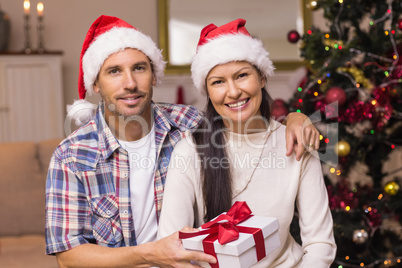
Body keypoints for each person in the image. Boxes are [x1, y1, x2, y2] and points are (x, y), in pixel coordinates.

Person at [45, 15, 320, 268]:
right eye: (114, 71)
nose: (129, 83)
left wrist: (296, 118)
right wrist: (149, 253)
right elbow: (68, 257)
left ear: (153, 75)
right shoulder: (71, 155)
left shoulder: (188, 124)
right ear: (95, 83)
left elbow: (240, 119)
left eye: (139, 68)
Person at [157, 18, 336, 267]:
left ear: (262, 78)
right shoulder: (189, 150)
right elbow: (171, 244)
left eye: (242, 76)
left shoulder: (295, 142)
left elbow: (320, 244)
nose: (233, 92)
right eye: (218, 82)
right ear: (207, 91)